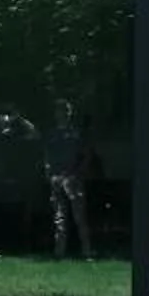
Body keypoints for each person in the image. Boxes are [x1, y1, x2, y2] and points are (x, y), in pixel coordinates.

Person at [45, 99, 91, 258]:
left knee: (79, 217)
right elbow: (47, 157)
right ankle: (59, 253)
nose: (62, 114)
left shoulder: (76, 133)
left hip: (73, 178)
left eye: (65, 111)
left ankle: (86, 251)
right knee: (59, 218)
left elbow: (85, 156)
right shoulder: (52, 134)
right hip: (57, 178)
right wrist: (50, 174)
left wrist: (77, 174)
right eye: (59, 111)